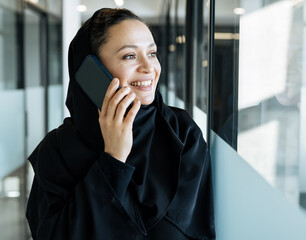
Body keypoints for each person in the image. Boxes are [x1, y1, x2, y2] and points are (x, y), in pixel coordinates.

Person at [26, 8, 215, 240]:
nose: (149, 68)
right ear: (91, 72)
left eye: (153, 53)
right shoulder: (56, 151)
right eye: (129, 56)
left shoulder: (180, 133)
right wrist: (113, 160)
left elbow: (194, 232)